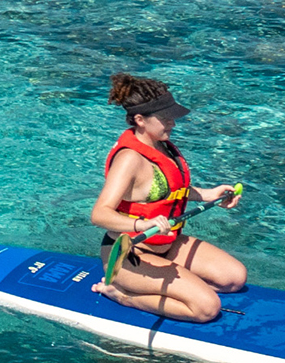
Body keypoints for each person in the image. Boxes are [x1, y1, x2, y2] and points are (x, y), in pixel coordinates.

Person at [89, 72, 245, 321]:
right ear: (140, 120)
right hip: (130, 253)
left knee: (234, 279)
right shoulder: (129, 159)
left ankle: (174, 285)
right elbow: (99, 214)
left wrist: (207, 195)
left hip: (167, 245)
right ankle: (123, 294)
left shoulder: (162, 146)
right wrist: (143, 225)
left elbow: (169, 191)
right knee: (207, 308)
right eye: (165, 118)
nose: (172, 123)